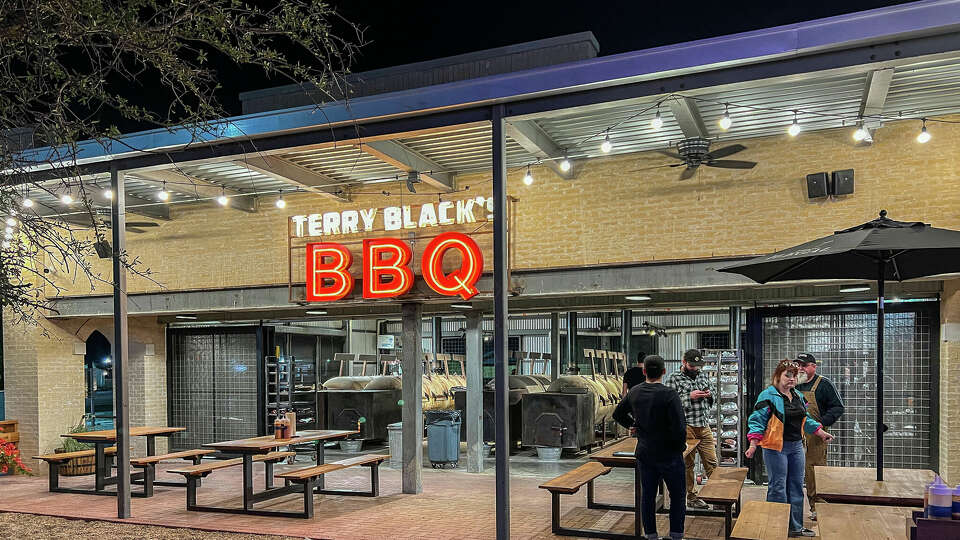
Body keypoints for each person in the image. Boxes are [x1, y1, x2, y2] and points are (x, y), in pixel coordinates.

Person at [746, 359, 835, 538]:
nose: (791, 379)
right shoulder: (767, 396)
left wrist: (820, 432)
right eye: (788, 375)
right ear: (777, 376)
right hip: (775, 448)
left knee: (795, 486)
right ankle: (775, 526)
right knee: (778, 486)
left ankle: (795, 527)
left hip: (796, 447)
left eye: (795, 376)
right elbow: (757, 420)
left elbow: (806, 419)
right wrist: (753, 444)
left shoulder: (798, 396)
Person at [612, 355, 687, 540]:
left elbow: (617, 414)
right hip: (670, 454)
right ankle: (676, 535)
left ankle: (651, 535)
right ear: (664, 371)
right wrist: (679, 447)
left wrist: (633, 425)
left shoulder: (634, 392)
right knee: (677, 497)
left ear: (644, 371)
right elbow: (680, 427)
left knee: (648, 496)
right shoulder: (670, 394)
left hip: (645, 453)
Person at [664, 348, 717, 510]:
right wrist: (689, 397)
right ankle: (692, 497)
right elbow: (668, 403)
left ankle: (720, 498)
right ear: (684, 362)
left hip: (703, 425)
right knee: (688, 465)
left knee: (712, 463)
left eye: (697, 365)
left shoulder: (703, 375)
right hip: (686, 427)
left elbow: (714, 391)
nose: (695, 368)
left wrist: (709, 394)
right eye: (692, 365)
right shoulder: (674, 378)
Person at [794, 353, 845, 521]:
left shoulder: (823, 384)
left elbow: (837, 407)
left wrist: (821, 424)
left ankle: (817, 506)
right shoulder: (792, 383)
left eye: (804, 365)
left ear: (813, 367)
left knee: (814, 470)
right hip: (793, 433)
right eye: (798, 365)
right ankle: (791, 509)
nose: (800, 368)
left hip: (816, 435)